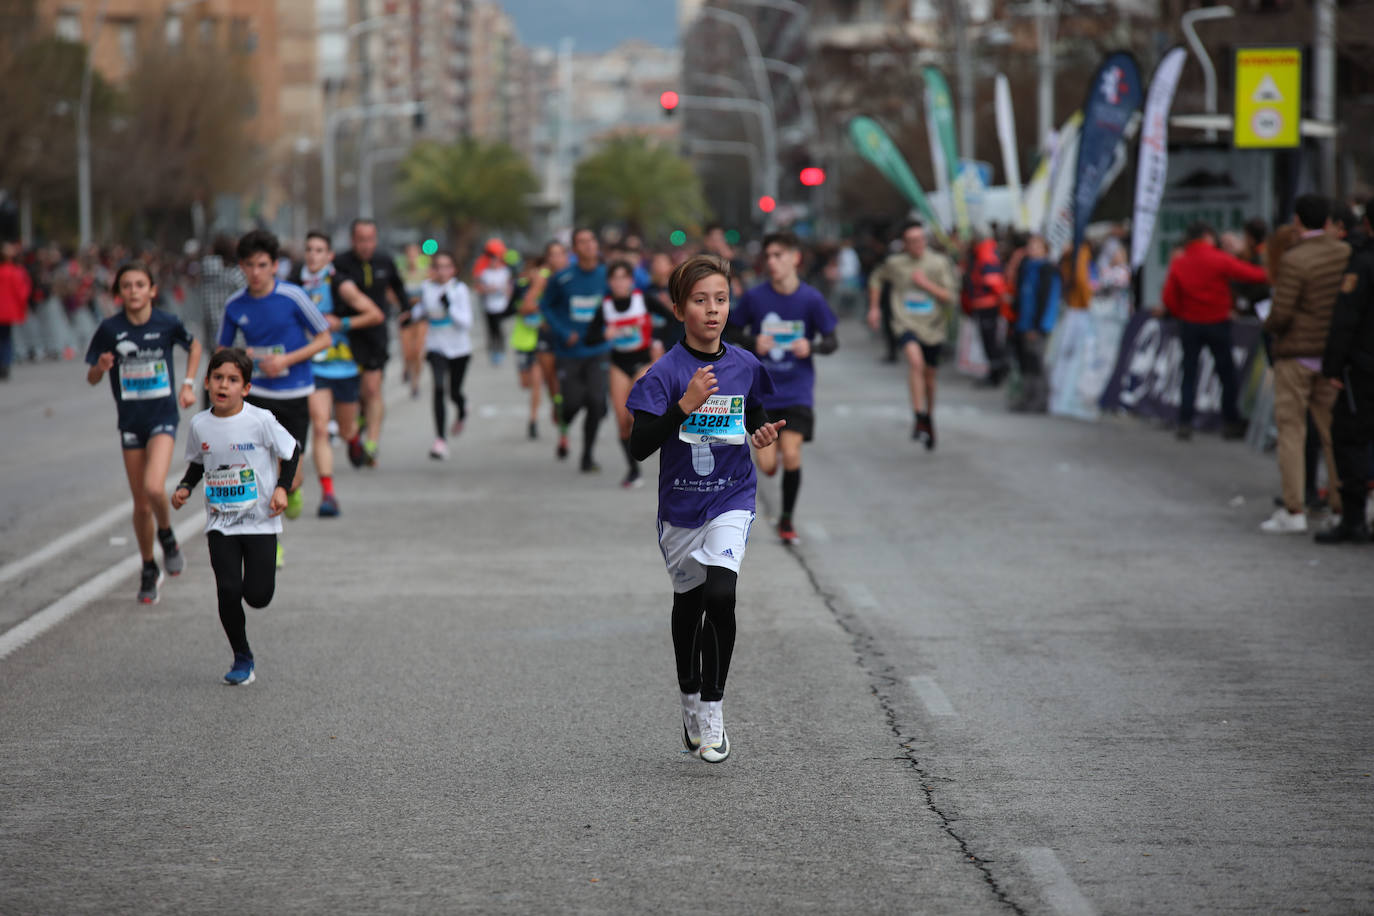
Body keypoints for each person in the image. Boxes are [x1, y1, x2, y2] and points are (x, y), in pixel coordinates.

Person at [626, 254, 785, 763]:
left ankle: (713, 709)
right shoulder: (665, 373)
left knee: (722, 593)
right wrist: (684, 405)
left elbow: (756, 413)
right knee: (688, 607)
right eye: (700, 301)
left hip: (731, 497)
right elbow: (639, 446)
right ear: (678, 309)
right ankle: (689, 697)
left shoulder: (744, 364)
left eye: (720, 299)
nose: (712, 310)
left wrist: (761, 433)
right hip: (680, 510)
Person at [172, 348, 301, 686]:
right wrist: (185, 486)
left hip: (260, 520)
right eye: (217, 378)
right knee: (228, 590)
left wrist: (283, 489)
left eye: (232, 380)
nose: (223, 385)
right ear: (207, 383)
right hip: (221, 522)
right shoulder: (200, 424)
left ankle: (251, 607)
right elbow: (199, 462)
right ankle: (242, 656)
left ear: (245, 388)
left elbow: (292, 451)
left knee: (258, 596)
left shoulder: (260, 420)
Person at [85, 262, 203, 603]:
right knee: (140, 504)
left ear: (152, 290)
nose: (133, 290)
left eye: (140, 284)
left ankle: (166, 536)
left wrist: (188, 384)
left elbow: (193, 347)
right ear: (118, 293)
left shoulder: (166, 323)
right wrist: (101, 367)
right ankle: (149, 566)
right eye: (126, 285)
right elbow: (92, 377)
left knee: (155, 487)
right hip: (130, 423)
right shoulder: (110, 329)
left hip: (163, 418)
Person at [218, 230, 331, 565]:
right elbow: (223, 350)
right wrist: (242, 358)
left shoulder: (293, 297)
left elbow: (324, 338)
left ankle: (293, 489)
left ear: (275, 266)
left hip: (295, 392)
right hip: (257, 396)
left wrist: (286, 360)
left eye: (263, 265)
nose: (256, 272)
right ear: (241, 266)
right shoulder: (235, 305)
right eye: (249, 265)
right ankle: (271, 542)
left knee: (289, 473)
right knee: (259, 472)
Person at [728, 231, 839, 542]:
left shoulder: (811, 299)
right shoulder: (755, 297)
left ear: (795, 258)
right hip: (762, 393)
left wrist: (811, 346)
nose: (772, 262)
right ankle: (770, 465)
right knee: (768, 466)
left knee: (791, 455)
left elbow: (832, 341)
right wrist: (753, 341)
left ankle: (787, 520)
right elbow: (732, 330)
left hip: (797, 391)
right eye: (769, 257)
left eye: (779, 255)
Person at [1260, 195, 1351, 534]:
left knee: (1292, 431)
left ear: (1298, 221)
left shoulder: (1295, 260)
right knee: (1332, 433)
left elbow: (1281, 312)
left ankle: (1294, 508)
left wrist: (1269, 327)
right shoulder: (1345, 254)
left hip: (1296, 355)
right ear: (1328, 222)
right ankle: (1342, 507)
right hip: (1331, 356)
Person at [296, 231, 384, 517]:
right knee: (320, 427)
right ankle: (328, 495)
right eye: (309, 249)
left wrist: (341, 322)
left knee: (345, 430)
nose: (313, 255)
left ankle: (355, 439)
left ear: (330, 256)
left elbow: (375, 315)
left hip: (344, 366)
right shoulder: (295, 286)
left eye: (320, 250)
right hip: (313, 366)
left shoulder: (340, 285)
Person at [1158, 221, 1269, 440]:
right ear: (1208, 236)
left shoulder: (1181, 262)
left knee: (1188, 374)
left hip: (1190, 324)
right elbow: (1253, 275)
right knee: (1226, 374)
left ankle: (1185, 421)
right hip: (1217, 322)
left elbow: (1169, 298)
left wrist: (1183, 313)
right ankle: (1230, 422)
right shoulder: (1218, 258)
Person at [866, 220, 959, 449]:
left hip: (933, 327)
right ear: (904, 244)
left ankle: (929, 416)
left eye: (921, 239)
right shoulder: (895, 263)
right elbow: (876, 279)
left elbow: (950, 297)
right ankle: (918, 416)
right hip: (905, 324)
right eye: (912, 241)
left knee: (930, 376)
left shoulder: (938, 263)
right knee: (915, 363)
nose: (917, 244)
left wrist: (926, 285)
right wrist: (875, 307)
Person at [1317, 199, 1374, 544]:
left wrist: (1333, 366)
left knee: (1351, 438)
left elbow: (1346, 319)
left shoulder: (1363, 264)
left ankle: (1353, 520)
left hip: (1364, 368)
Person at [332, 219, 409, 468]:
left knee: (373, 389)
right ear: (353, 240)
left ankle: (372, 444)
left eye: (370, 239)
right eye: (360, 239)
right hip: (347, 335)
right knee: (354, 395)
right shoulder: (340, 264)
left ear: (375, 240)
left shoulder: (385, 261)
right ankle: (358, 426)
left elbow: (398, 286)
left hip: (376, 334)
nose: (366, 245)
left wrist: (407, 309)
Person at [540, 228, 610, 472]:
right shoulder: (562, 278)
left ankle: (587, 456)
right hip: (569, 351)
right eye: (583, 242)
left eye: (592, 240)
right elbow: (546, 306)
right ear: (574, 249)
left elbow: (628, 295)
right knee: (571, 403)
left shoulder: (608, 275)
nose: (589, 245)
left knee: (596, 401)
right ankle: (564, 420)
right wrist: (562, 332)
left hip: (598, 349)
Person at [604, 259, 676, 488]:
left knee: (633, 413)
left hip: (643, 361)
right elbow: (590, 336)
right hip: (618, 364)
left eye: (624, 277)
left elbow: (673, 318)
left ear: (631, 281)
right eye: (615, 278)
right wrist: (604, 334)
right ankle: (633, 470)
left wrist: (660, 343)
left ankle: (654, 439)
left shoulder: (642, 299)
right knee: (621, 421)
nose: (619, 283)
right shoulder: (605, 306)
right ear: (609, 282)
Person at [410, 251, 473, 460]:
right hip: (436, 348)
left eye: (447, 266)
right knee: (438, 388)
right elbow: (421, 310)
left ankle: (462, 409)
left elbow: (466, 322)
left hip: (459, 349)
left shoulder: (460, 290)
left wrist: (450, 307)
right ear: (433, 269)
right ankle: (440, 440)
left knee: (454, 392)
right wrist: (410, 316)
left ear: (454, 270)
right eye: (438, 267)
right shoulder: (427, 288)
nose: (442, 271)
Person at [1007, 235, 1061, 413]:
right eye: (1031, 246)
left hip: (1036, 325)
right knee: (1026, 363)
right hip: (1023, 322)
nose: (1032, 250)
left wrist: (1036, 326)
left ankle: (1040, 401)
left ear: (1045, 250)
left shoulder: (1047, 269)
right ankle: (1027, 398)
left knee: (1037, 362)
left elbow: (1045, 300)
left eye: (1037, 247)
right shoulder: (1026, 268)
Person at [529, 240, 571, 453]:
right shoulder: (542, 278)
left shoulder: (573, 277)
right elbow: (525, 307)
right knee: (552, 384)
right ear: (547, 259)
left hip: (568, 338)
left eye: (560, 254)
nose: (557, 259)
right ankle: (563, 431)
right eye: (552, 255)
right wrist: (539, 297)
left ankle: (563, 418)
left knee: (568, 387)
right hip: (546, 336)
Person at [960, 236, 1010, 387]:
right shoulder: (983, 252)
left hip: (987, 304)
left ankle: (995, 375)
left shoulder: (985, 253)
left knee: (990, 342)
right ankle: (994, 372)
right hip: (983, 304)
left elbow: (993, 280)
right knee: (988, 341)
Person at [510, 255, 545, 439]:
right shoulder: (520, 287)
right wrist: (534, 291)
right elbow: (521, 308)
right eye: (530, 270)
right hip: (523, 340)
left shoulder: (548, 286)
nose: (534, 274)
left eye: (537, 270)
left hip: (541, 342)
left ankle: (533, 420)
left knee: (537, 383)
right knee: (526, 384)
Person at [398, 241, 430, 399]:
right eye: (409, 254)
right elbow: (393, 293)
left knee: (418, 351)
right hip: (406, 316)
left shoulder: (425, 273)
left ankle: (415, 383)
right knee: (407, 351)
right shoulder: (401, 273)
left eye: (414, 254)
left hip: (421, 316)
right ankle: (406, 368)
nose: (412, 257)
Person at [475, 239, 513, 365]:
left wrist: (505, 293)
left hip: (501, 306)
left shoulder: (505, 271)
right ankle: (493, 350)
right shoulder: (484, 271)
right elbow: (479, 286)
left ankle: (500, 350)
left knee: (499, 329)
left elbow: (509, 287)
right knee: (491, 330)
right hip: (488, 306)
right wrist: (487, 289)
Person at [0, 240, 32, 381]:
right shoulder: (15, 272)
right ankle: (5, 364)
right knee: (6, 339)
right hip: (8, 312)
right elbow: (22, 292)